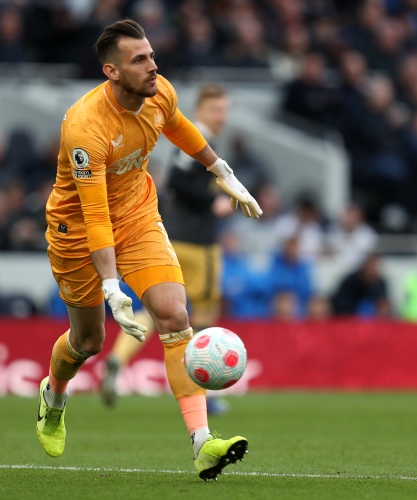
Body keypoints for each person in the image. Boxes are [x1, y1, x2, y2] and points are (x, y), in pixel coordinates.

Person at [36, 19, 261, 481]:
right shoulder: (85, 127)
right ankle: (54, 396)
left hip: (138, 217)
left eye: (152, 55)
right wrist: (112, 286)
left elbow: (179, 127)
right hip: (77, 231)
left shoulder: (159, 92)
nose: (153, 66)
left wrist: (222, 171)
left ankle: (203, 444)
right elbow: (95, 216)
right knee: (88, 341)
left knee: (175, 315)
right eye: (139, 60)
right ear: (112, 71)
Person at [99, 84, 235, 414]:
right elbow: (177, 179)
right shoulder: (197, 140)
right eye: (215, 110)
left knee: (159, 310)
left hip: (173, 238)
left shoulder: (190, 141)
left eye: (223, 110)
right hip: (199, 244)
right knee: (203, 315)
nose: (221, 116)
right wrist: (212, 201)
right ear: (199, 112)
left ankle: (118, 358)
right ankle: (203, 392)